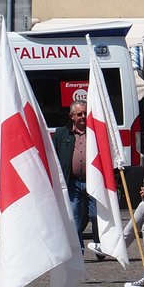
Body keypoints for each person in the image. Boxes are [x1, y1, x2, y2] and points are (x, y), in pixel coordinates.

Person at [52, 100, 95, 242]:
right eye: (79, 114)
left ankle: (100, 245)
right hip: (72, 183)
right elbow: (55, 158)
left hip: (93, 182)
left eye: (85, 113)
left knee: (96, 216)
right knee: (74, 218)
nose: (83, 116)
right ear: (72, 116)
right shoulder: (61, 133)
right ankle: (78, 251)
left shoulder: (95, 132)